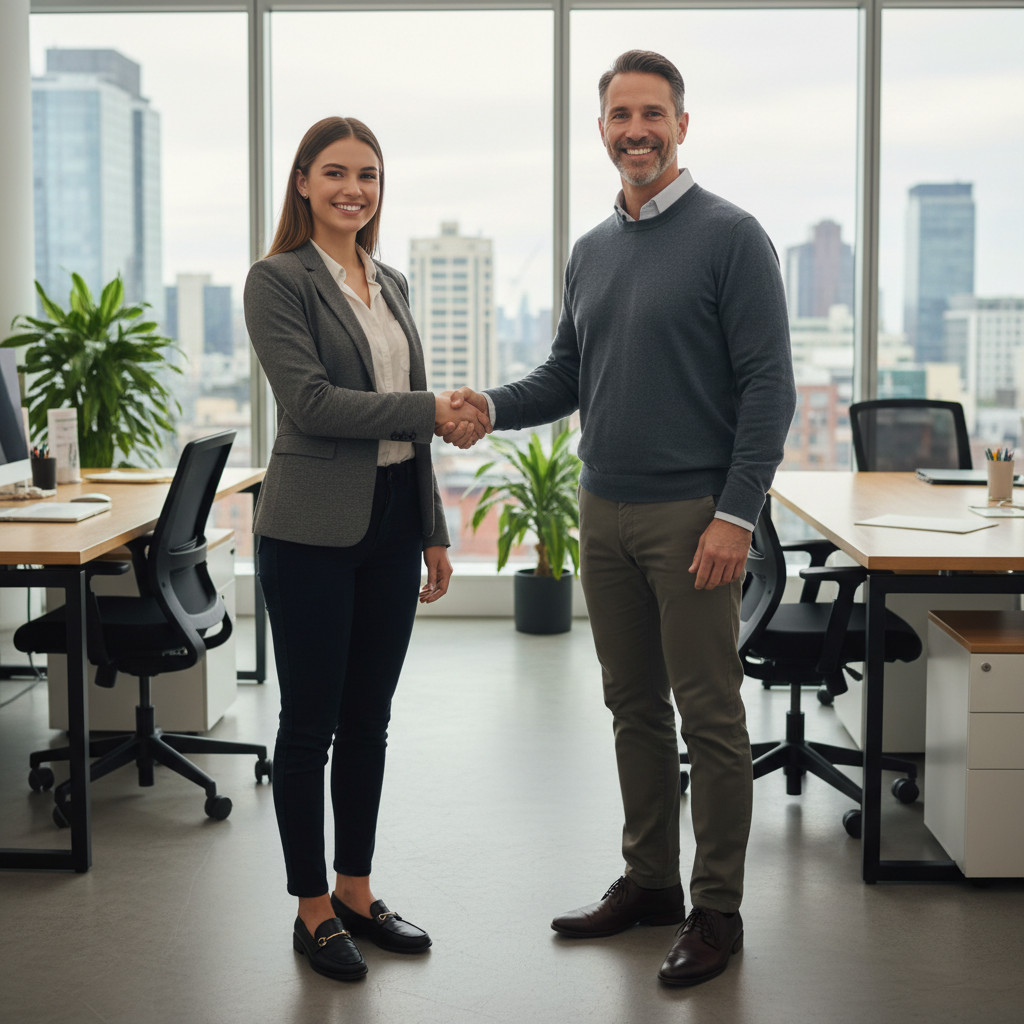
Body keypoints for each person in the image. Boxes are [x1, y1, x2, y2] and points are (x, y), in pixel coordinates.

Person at [440, 51, 795, 986]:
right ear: (600, 129)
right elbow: (568, 373)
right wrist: (491, 406)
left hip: (693, 519)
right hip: (604, 507)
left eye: (652, 113)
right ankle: (651, 884)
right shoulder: (592, 248)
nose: (634, 129)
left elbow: (769, 389)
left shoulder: (733, 236)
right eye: (618, 115)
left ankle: (718, 910)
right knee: (631, 707)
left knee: (709, 716)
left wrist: (735, 514)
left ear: (682, 123)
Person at [244, 116, 489, 982]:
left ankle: (356, 889)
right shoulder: (277, 281)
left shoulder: (390, 282)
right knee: (310, 724)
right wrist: (431, 411)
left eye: (371, 175)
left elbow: (407, 417)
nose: (355, 188)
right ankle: (310, 910)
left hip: (391, 523)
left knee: (370, 724)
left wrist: (431, 531)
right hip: (309, 531)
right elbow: (312, 404)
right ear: (304, 181)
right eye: (338, 172)